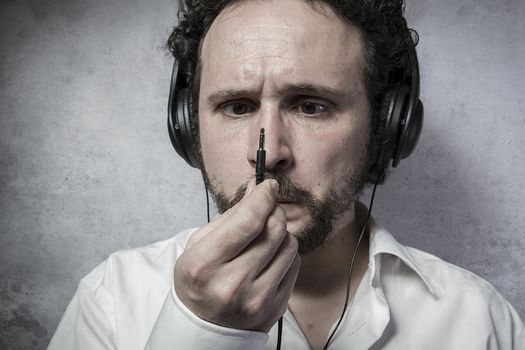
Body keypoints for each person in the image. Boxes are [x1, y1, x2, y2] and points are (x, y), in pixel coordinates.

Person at [49, 0, 525, 349]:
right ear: (188, 127)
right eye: (236, 106)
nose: (270, 153)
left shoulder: (479, 322)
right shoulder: (112, 300)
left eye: (311, 106)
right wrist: (199, 331)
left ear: (386, 128)